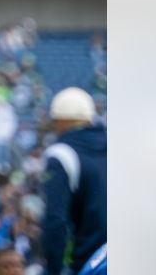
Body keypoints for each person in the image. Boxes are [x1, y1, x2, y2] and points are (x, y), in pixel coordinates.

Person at [41, 87, 106, 275]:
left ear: (61, 120)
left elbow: (55, 221)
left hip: (87, 263)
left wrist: (53, 270)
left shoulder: (61, 154)